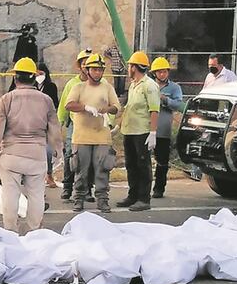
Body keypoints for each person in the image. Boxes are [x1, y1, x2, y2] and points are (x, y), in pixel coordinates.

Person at [0, 57, 63, 233]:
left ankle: (10, 231)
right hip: (37, 155)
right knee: (36, 196)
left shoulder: (7, 99)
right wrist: (58, 152)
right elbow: (54, 130)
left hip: (11, 155)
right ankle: (34, 231)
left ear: (15, 78)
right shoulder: (46, 100)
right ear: (34, 77)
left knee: (10, 196)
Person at [64, 53, 120, 212]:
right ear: (87, 70)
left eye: (100, 70)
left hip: (102, 136)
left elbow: (116, 106)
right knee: (81, 170)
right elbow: (69, 105)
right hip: (82, 136)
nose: (97, 73)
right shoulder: (78, 87)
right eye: (94, 69)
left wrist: (107, 109)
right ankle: (78, 199)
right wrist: (85, 108)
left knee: (103, 169)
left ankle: (102, 199)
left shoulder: (107, 87)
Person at [116, 51, 160, 212]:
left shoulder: (149, 86)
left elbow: (154, 110)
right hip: (130, 131)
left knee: (143, 165)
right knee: (131, 165)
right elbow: (129, 108)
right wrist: (119, 125)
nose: (128, 68)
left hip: (142, 132)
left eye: (130, 65)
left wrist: (153, 132)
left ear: (135, 67)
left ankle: (143, 198)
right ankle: (132, 195)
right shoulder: (134, 84)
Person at [58, 48, 94, 201]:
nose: (87, 67)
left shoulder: (101, 84)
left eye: (90, 65)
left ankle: (87, 190)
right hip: (75, 124)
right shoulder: (71, 84)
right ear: (79, 66)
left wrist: (109, 124)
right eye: (84, 64)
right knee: (70, 156)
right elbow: (63, 106)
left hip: (94, 125)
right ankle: (67, 187)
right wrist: (58, 127)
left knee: (91, 157)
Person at [150, 57, 184, 199]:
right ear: (154, 73)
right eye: (159, 72)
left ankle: (159, 188)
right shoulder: (149, 85)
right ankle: (143, 187)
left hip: (163, 130)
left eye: (164, 72)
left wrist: (165, 100)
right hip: (147, 128)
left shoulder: (174, 88)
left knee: (162, 161)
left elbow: (178, 105)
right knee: (143, 160)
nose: (162, 74)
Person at [32, 63, 60, 188]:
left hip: (46, 122)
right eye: (36, 74)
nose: (38, 76)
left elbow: (55, 104)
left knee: (48, 150)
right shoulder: (30, 86)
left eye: (41, 74)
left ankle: (49, 174)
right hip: (31, 123)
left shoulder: (51, 86)